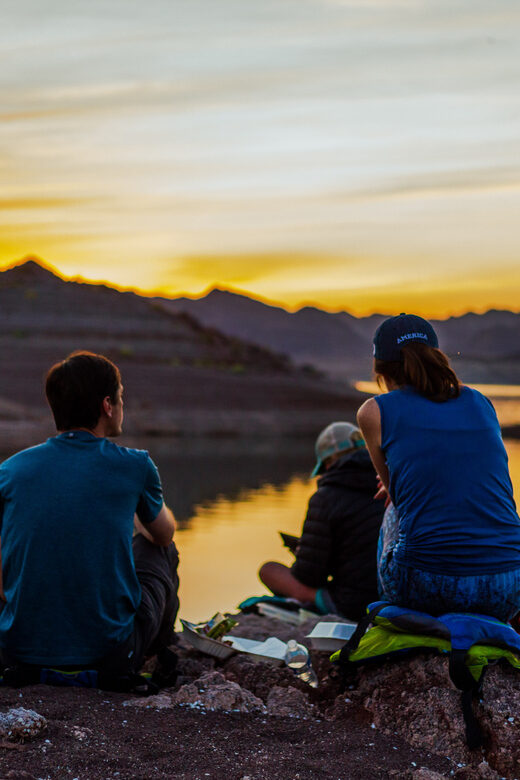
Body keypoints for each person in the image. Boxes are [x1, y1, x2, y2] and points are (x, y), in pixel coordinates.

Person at [0, 351, 179, 679]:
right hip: (109, 655)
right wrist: (134, 514)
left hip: (19, 652)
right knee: (159, 549)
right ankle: (156, 651)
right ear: (107, 405)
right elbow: (164, 533)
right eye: (121, 397)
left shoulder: (10, 470)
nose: (122, 406)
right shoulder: (135, 465)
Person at [357, 313, 520, 622]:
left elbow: (397, 495)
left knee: (394, 509)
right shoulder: (480, 402)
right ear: (435, 356)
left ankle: (396, 622)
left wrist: (399, 485)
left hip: (424, 587)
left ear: (380, 370)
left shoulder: (374, 411)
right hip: (509, 586)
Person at [258, 422, 384, 620]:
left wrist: (303, 553)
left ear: (327, 463)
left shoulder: (325, 498)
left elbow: (308, 576)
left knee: (269, 570)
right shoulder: (390, 484)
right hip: (392, 598)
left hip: (354, 605)